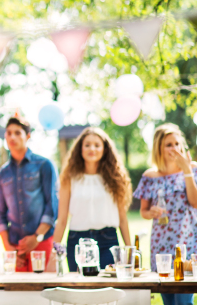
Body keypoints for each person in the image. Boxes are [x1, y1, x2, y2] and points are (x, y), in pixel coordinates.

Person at [52, 127, 132, 271]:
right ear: (80, 149)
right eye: (87, 144)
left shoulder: (116, 178)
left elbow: (122, 218)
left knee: (107, 290)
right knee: (80, 290)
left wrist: (130, 251)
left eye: (97, 145)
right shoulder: (68, 178)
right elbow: (62, 219)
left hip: (108, 241)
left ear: (105, 149)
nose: (92, 149)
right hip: (77, 241)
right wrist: (54, 254)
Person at [134, 123, 197, 305]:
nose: (174, 148)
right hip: (161, 243)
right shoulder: (150, 176)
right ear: (158, 147)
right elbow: (143, 212)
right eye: (169, 144)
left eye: (177, 144)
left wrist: (186, 170)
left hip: (188, 241)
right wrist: (151, 212)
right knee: (168, 299)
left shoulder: (192, 168)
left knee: (183, 299)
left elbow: (195, 202)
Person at [0, 115, 58, 272]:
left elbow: (52, 206)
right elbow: (0, 213)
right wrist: (8, 246)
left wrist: (36, 237)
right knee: (18, 291)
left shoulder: (44, 165)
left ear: (27, 136)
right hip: (15, 246)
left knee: (41, 290)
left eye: (17, 132)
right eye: (8, 133)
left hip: (41, 241)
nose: (12, 137)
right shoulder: (3, 173)